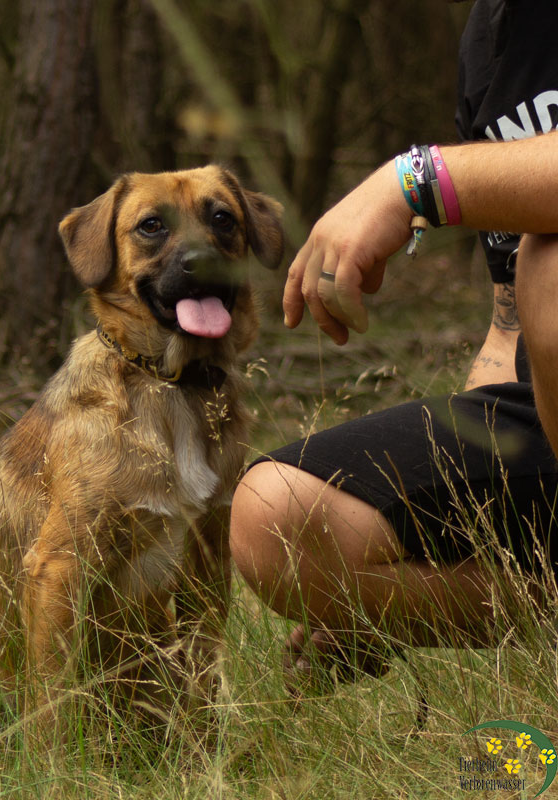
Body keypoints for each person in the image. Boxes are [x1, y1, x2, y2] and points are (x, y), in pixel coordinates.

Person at [229, 0, 558, 685]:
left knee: (552, 267)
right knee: (276, 514)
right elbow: (509, 326)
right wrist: (413, 570)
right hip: (544, 410)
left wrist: (416, 179)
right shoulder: (492, 35)